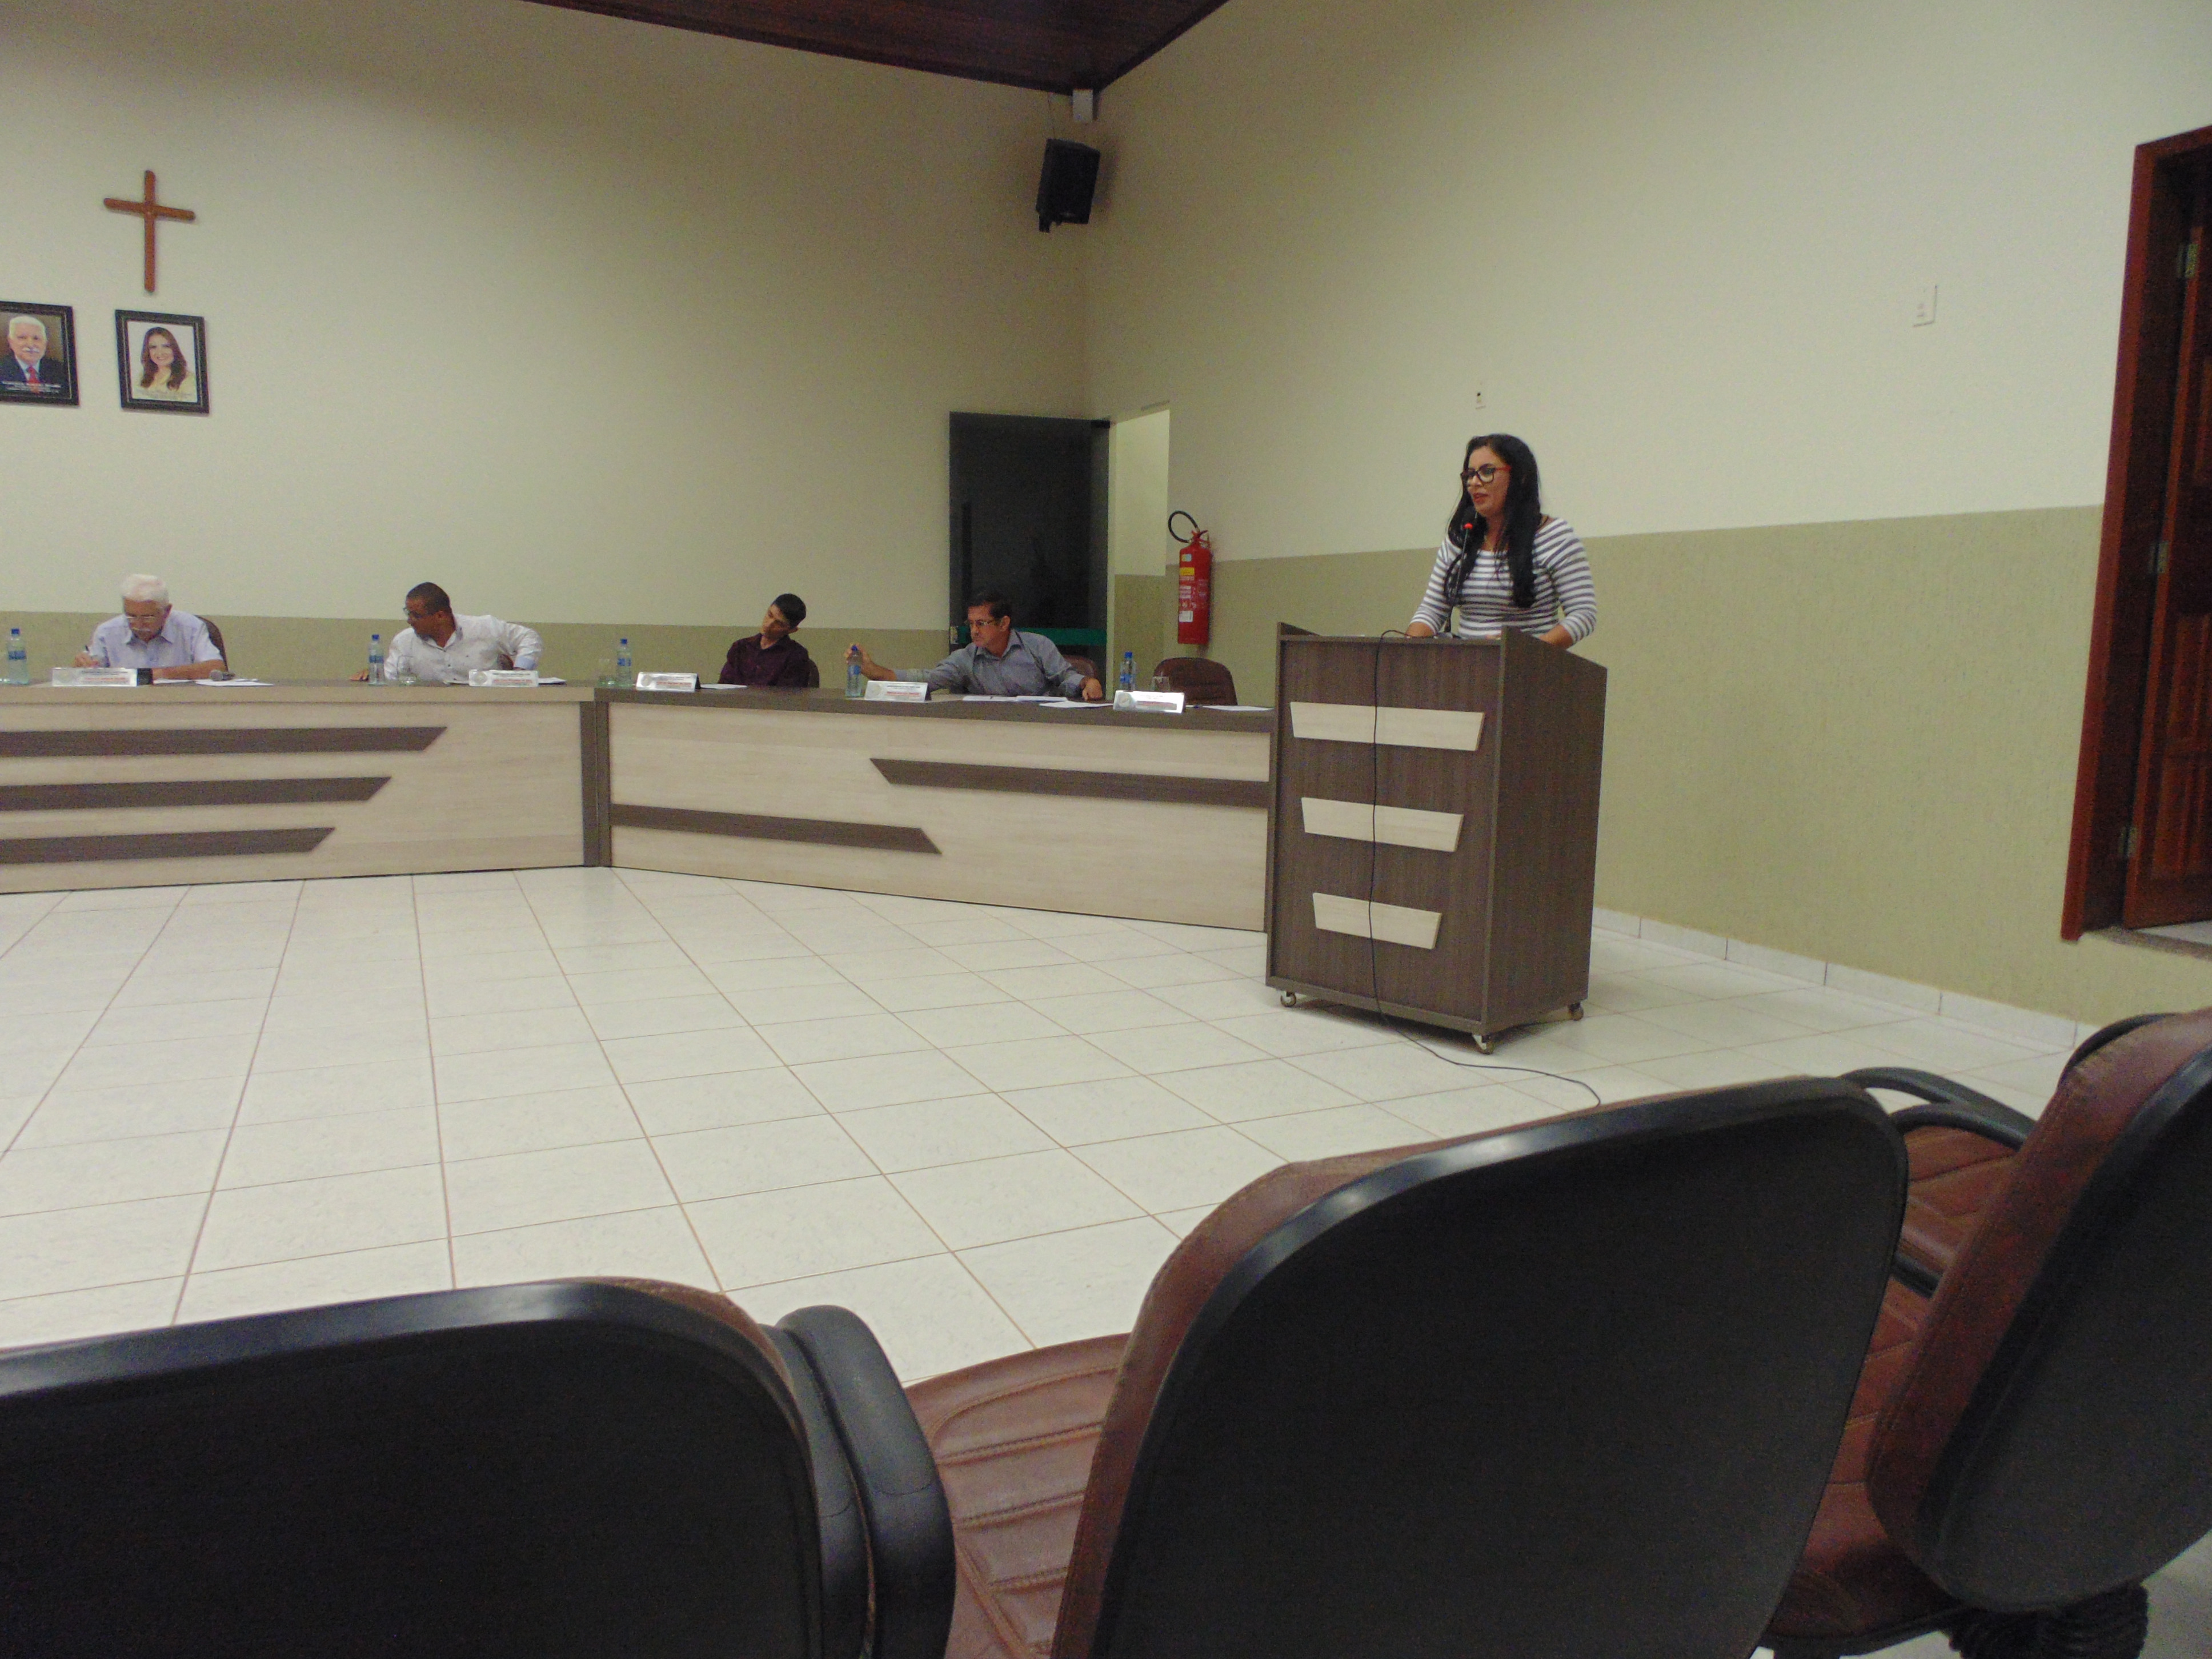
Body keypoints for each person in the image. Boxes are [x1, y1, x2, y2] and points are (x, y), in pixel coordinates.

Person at [1406, 434, 1596, 648]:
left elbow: (1584, 614)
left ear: (1520, 477)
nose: (1474, 483)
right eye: (1470, 474)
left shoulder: (1554, 536)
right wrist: (1409, 648)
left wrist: (1525, 650)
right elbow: (1432, 610)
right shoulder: (1462, 537)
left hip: (1527, 664)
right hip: (1467, 665)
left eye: (1487, 472)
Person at [849, 591, 1104, 699]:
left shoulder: (1037, 646)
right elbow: (926, 678)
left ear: (1004, 623)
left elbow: (1066, 677)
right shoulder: (966, 658)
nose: (974, 631)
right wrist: (875, 671)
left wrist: (1087, 682)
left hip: (1041, 730)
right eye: (970, 624)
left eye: (982, 623)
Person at [361, 583, 543, 683]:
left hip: (487, 708)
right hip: (431, 712)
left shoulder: (484, 628)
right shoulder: (404, 641)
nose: (410, 620)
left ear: (440, 616)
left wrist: (520, 673)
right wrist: (372, 675)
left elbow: (530, 638)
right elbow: (391, 678)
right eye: (408, 613)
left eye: (416, 615)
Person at [74, 575, 226, 680]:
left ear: (167, 612)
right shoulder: (107, 632)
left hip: (180, 707)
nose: (139, 625)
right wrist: (82, 667)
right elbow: (89, 673)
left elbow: (216, 667)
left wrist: (162, 674)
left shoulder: (191, 628)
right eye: (131, 616)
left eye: (147, 617)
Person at [719, 593, 815, 688]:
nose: (769, 625)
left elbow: (788, 695)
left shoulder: (796, 655)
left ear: (792, 630)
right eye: (770, 615)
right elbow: (724, 686)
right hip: (735, 698)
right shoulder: (741, 647)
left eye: (779, 624)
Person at [0, 315, 70, 399]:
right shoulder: (2, 369)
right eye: (22, 338)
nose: (31, 345)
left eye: (36, 339)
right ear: (10, 341)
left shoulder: (62, 371)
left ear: (46, 342)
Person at [132, 326, 197, 402]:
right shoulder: (141, 377)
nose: (160, 353)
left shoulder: (189, 380)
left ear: (175, 349)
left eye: (166, 346)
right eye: (153, 347)